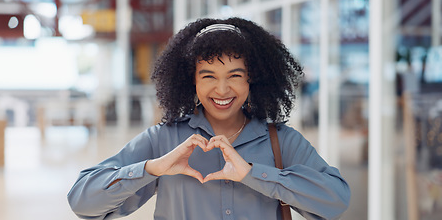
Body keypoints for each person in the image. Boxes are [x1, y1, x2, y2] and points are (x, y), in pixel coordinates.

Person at [67, 17, 350, 220]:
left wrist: (255, 175)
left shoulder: (282, 141)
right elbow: (82, 202)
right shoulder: (164, 139)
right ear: (191, 81)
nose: (223, 89)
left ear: (253, 79)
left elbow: (336, 201)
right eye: (209, 77)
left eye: (235, 76)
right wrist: (151, 169)